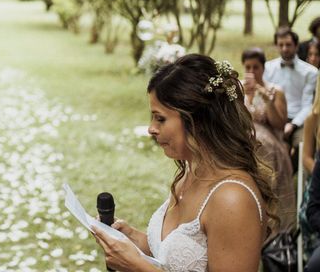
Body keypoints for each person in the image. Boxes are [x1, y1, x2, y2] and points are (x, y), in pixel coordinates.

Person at [92, 54, 275, 272]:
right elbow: (175, 259)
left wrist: (138, 267)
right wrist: (131, 239)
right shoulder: (192, 170)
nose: (151, 128)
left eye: (160, 118)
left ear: (197, 121)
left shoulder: (232, 200)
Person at [242, 47, 296, 232]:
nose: (251, 72)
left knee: (265, 146)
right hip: (244, 142)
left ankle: (273, 226)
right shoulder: (237, 90)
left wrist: (268, 102)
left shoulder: (274, 90)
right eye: (247, 67)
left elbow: (280, 125)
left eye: (255, 67)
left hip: (270, 141)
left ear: (263, 68)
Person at [264, 26, 318, 166]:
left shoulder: (310, 72)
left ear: (296, 45)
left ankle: (289, 173)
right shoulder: (267, 68)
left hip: (299, 121)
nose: (284, 48)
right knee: (265, 144)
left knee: (302, 145)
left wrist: (292, 125)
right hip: (275, 117)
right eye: (280, 45)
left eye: (288, 45)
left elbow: (307, 105)